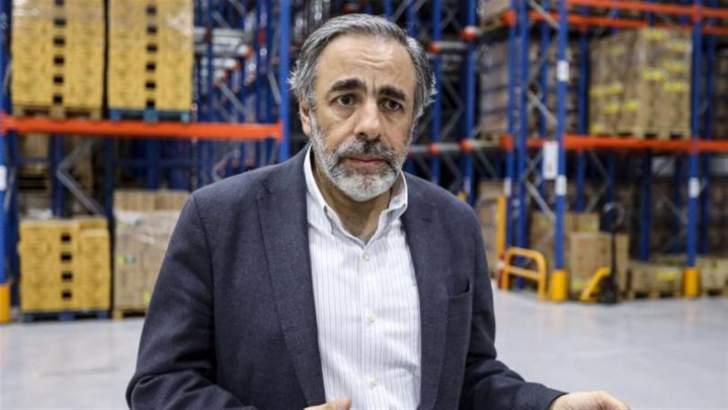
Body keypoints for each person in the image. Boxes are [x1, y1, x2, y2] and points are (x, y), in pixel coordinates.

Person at [127, 14, 629, 410]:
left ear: (413, 122)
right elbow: (160, 383)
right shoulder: (219, 221)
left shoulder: (454, 226)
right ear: (307, 112)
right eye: (346, 99)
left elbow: (468, 375)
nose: (370, 125)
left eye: (392, 104)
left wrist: (549, 405)